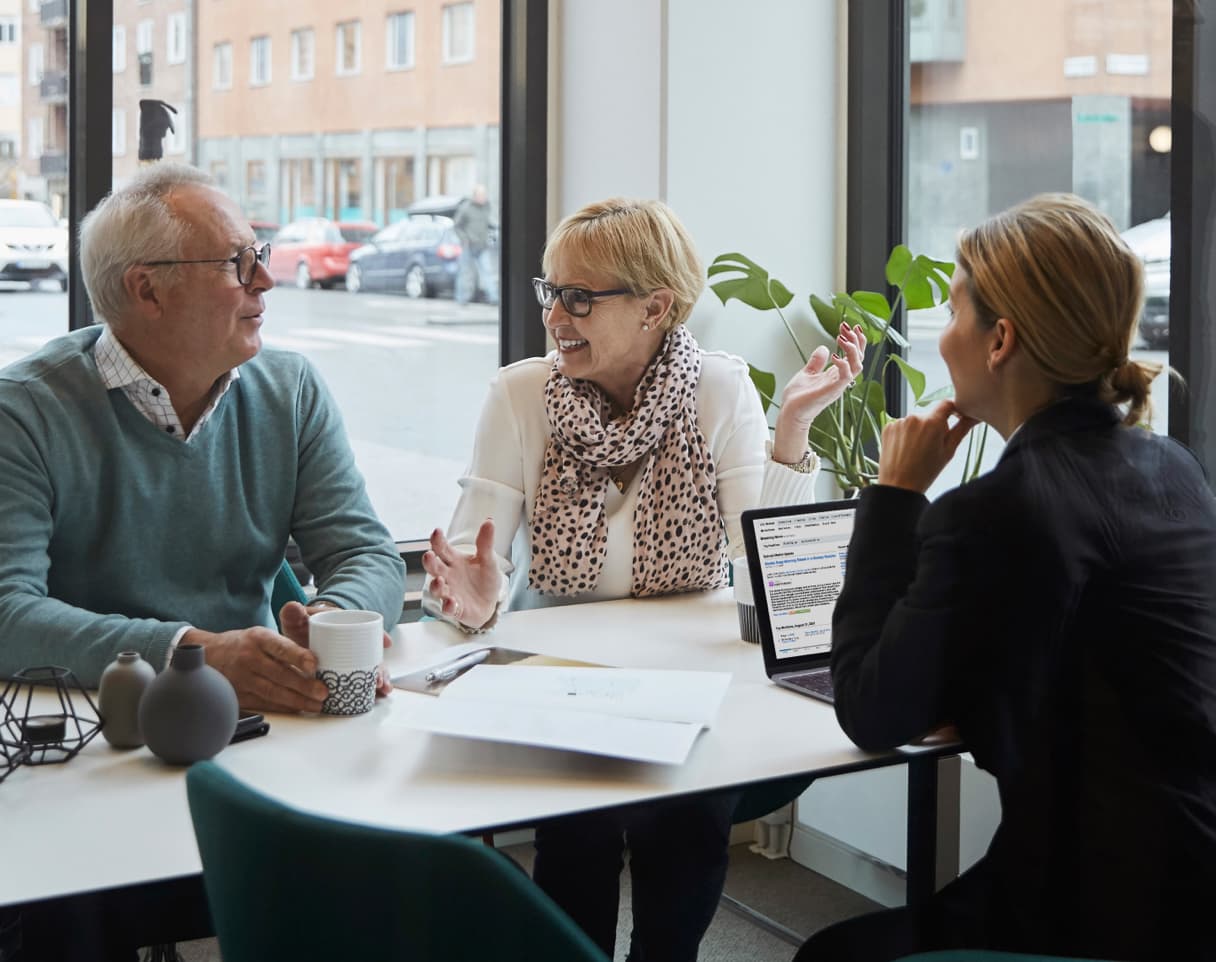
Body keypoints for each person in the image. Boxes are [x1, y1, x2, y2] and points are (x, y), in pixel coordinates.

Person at [422, 197, 865, 962]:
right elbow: (471, 561)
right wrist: (477, 600)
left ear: (656, 307)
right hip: (562, 685)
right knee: (579, 841)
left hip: (689, 682)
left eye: (580, 298)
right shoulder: (520, 396)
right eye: (550, 291)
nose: (556, 315)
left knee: (687, 830)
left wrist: (791, 438)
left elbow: (773, 585)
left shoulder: (720, 392)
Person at [0, 161, 407, 960]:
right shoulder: (25, 412)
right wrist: (196, 654)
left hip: (263, 735)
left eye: (258, 252)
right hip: (97, 753)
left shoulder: (289, 390)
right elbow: (7, 614)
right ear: (147, 291)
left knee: (374, 886)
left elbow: (362, 549)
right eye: (235, 262)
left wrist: (331, 622)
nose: (265, 278)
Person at [796, 194, 1216, 961]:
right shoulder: (1174, 470)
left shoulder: (994, 508)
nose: (942, 337)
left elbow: (869, 710)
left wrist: (891, 499)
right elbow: (1095, 648)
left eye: (954, 311)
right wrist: (988, 694)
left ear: (1001, 341)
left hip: (1098, 909)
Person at [453, 184, 494, 305]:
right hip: (468, 246)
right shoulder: (466, 208)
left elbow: (489, 222)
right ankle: (461, 299)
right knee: (465, 273)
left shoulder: (487, 207)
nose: (483, 197)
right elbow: (457, 226)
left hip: (482, 246)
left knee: (487, 271)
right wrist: (464, 239)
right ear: (475, 196)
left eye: (484, 195)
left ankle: (494, 297)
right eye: (481, 195)